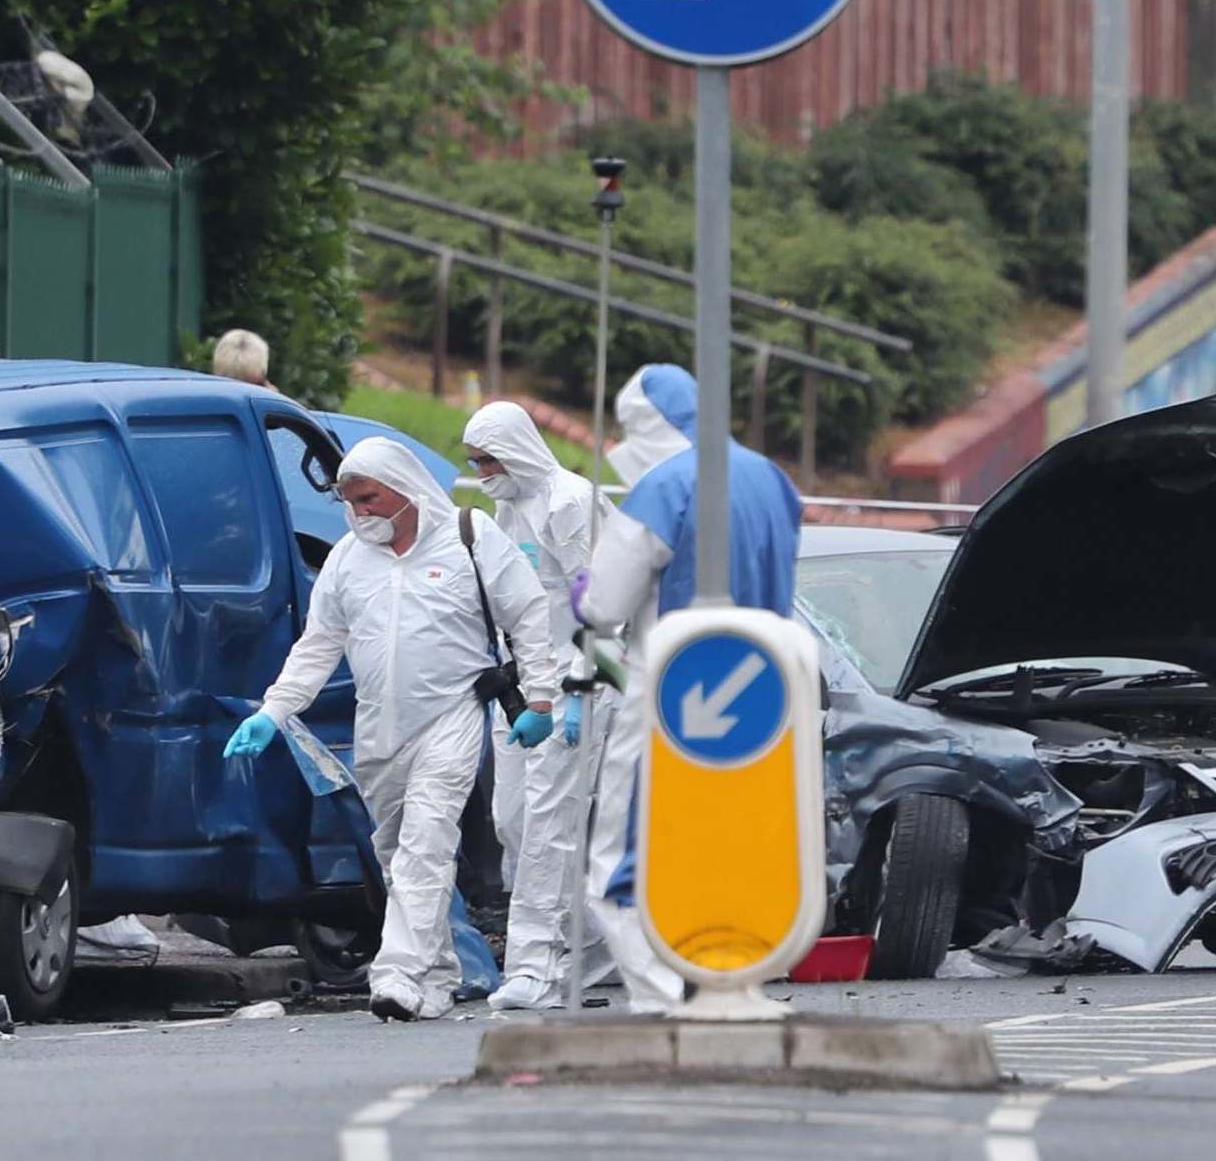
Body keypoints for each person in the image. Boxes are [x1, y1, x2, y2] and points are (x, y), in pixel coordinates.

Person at [223, 436, 560, 1021]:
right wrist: (274, 712)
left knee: (424, 847)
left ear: (404, 489)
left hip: (451, 718)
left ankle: (396, 974)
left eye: (370, 498)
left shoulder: (469, 539)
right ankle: (437, 977)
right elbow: (319, 645)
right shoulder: (348, 561)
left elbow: (528, 613)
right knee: (394, 855)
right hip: (378, 730)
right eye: (350, 503)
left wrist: (542, 697)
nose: (360, 514)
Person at [573, 363, 802, 1011]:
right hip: (761, 690)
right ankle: (733, 983)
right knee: (729, 852)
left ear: (643, 424)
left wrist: (582, 595)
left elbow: (603, 605)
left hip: (673, 693)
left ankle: (662, 994)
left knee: (622, 861)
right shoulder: (770, 479)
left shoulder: (664, 486)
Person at [461, 401, 616, 1011]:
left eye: (487, 459)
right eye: (473, 462)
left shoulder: (568, 503)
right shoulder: (509, 506)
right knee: (514, 823)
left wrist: (578, 688)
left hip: (577, 685)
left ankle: (534, 968)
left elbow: (603, 605)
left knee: (552, 822)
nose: (480, 471)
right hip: (526, 689)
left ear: (516, 450)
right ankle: (602, 944)